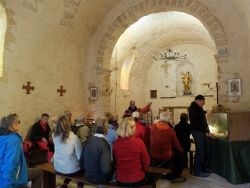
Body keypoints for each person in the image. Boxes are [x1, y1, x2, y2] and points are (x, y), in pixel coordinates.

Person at [0, 113, 43, 188]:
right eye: (17, 122)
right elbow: (12, 163)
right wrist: (7, 185)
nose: (19, 123)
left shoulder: (2, 137)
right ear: (10, 127)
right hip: (9, 179)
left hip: (2, 175)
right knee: (39, 172)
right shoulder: (14, 139)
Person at [113, 117, 150, 187]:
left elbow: (115, 161)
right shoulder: (139, 142)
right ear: (132, 128)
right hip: (137, 179)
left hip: (121, 179)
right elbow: (146, 162)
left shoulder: (116, 143)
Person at [150, 111, 185, 183]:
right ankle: (174, 176)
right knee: (181, 155)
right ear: (168, 120)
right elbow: (176, 145)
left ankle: (161, 171)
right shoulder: (170, 130)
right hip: (166, 155)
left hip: (153, 153)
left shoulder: (152, 127)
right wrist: (182, 150)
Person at [80, 117, 113, 184]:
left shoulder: (88, 140)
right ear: (106, 128)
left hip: (88, 176)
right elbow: (106, 170)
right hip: (100, 179)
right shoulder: (104, 144)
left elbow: (81, 163)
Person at [52, 115, 82, 188]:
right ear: (68, 124)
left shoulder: (54, 135)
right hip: (71, 170)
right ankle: (79, 186)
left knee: (69, 164)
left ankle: (65, 184)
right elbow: (80, 156)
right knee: (83, 167)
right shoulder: (74, 137)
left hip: (58, 168)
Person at [188, 95, 214, 178]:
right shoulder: (192, 107)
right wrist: (205, 112)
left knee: (206, 149)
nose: (204, 103)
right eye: (203, 101)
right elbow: (196, 116)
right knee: (200, 151)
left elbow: (204, 121)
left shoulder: (199, 108)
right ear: (198, 100)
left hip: (202, 131)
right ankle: (197, 171)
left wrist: (208, 131)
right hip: (197, 131)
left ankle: (204, 167)